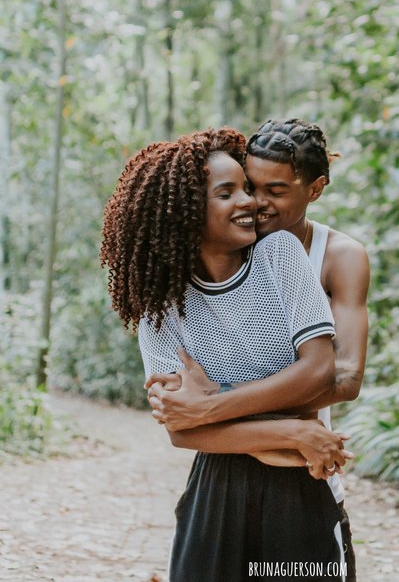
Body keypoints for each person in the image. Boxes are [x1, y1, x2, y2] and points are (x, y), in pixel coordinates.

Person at [101, 128, 350, 581]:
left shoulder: (280, 256)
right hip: (215, 494)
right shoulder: (162, 308)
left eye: (247, 188)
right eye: (227, 192)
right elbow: (182, 431)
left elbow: (318, 372)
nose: (249, 202)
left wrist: (213, 407)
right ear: (185, 210)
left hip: (299, 488)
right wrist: (288, 434)